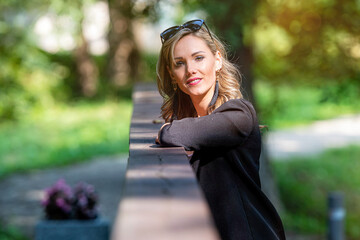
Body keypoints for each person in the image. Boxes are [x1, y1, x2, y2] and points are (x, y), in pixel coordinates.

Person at [155, 19, 286, 240]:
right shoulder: (192, 120)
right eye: (180, 63)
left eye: (198, 58)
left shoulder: (240, 114)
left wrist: (164, 132)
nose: (190, 70)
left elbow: (173, 133)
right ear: (172, 74)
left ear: (217, 60)